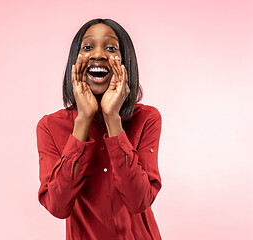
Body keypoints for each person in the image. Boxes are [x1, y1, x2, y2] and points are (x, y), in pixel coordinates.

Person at [36, 18, 162, 240]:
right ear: (75, 61)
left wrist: (112, 118)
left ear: (126, 63)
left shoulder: (147, 119)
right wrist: (83, 119)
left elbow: (138, 201)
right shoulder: (49, 127)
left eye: (111, 48)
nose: (98, 55)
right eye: (87, 47)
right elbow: (57, 206)